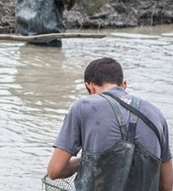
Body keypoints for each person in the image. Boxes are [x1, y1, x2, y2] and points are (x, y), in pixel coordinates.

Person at [47, 57, 173, 191]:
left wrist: (84, 162)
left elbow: (55, 171)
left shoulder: (82, 107)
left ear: (89, 86)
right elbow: (167, 185)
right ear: (124, 85)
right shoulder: (157, 114)